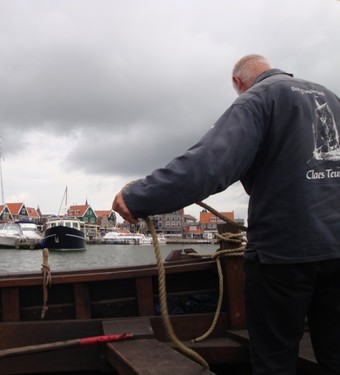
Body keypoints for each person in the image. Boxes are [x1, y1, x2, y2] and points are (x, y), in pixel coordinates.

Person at [112, 54, 340, 374]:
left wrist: (137, 197)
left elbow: (208, 165)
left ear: (238, 82)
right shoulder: (331, 97)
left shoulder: (257, 99)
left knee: (275, 361)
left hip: (285, 253)